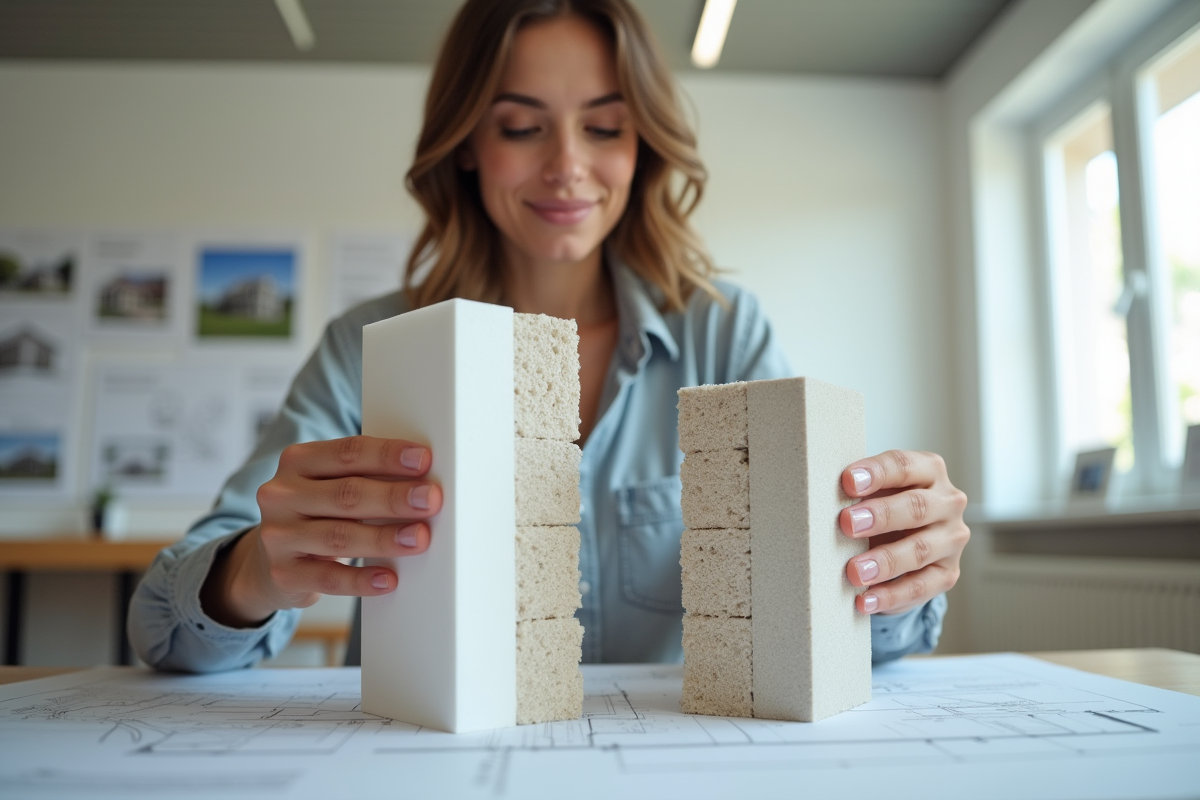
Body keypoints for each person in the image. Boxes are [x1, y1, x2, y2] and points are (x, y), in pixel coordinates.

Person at [128, 0, 969, 672]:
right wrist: (252, 571)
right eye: (521, 126)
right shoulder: (369, 345)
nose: (567, 165)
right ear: (465, 145)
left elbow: (831, 612)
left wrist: (886, 569)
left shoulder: (723, 333)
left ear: (643, 145)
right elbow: (164, 633)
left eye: (603, 126)